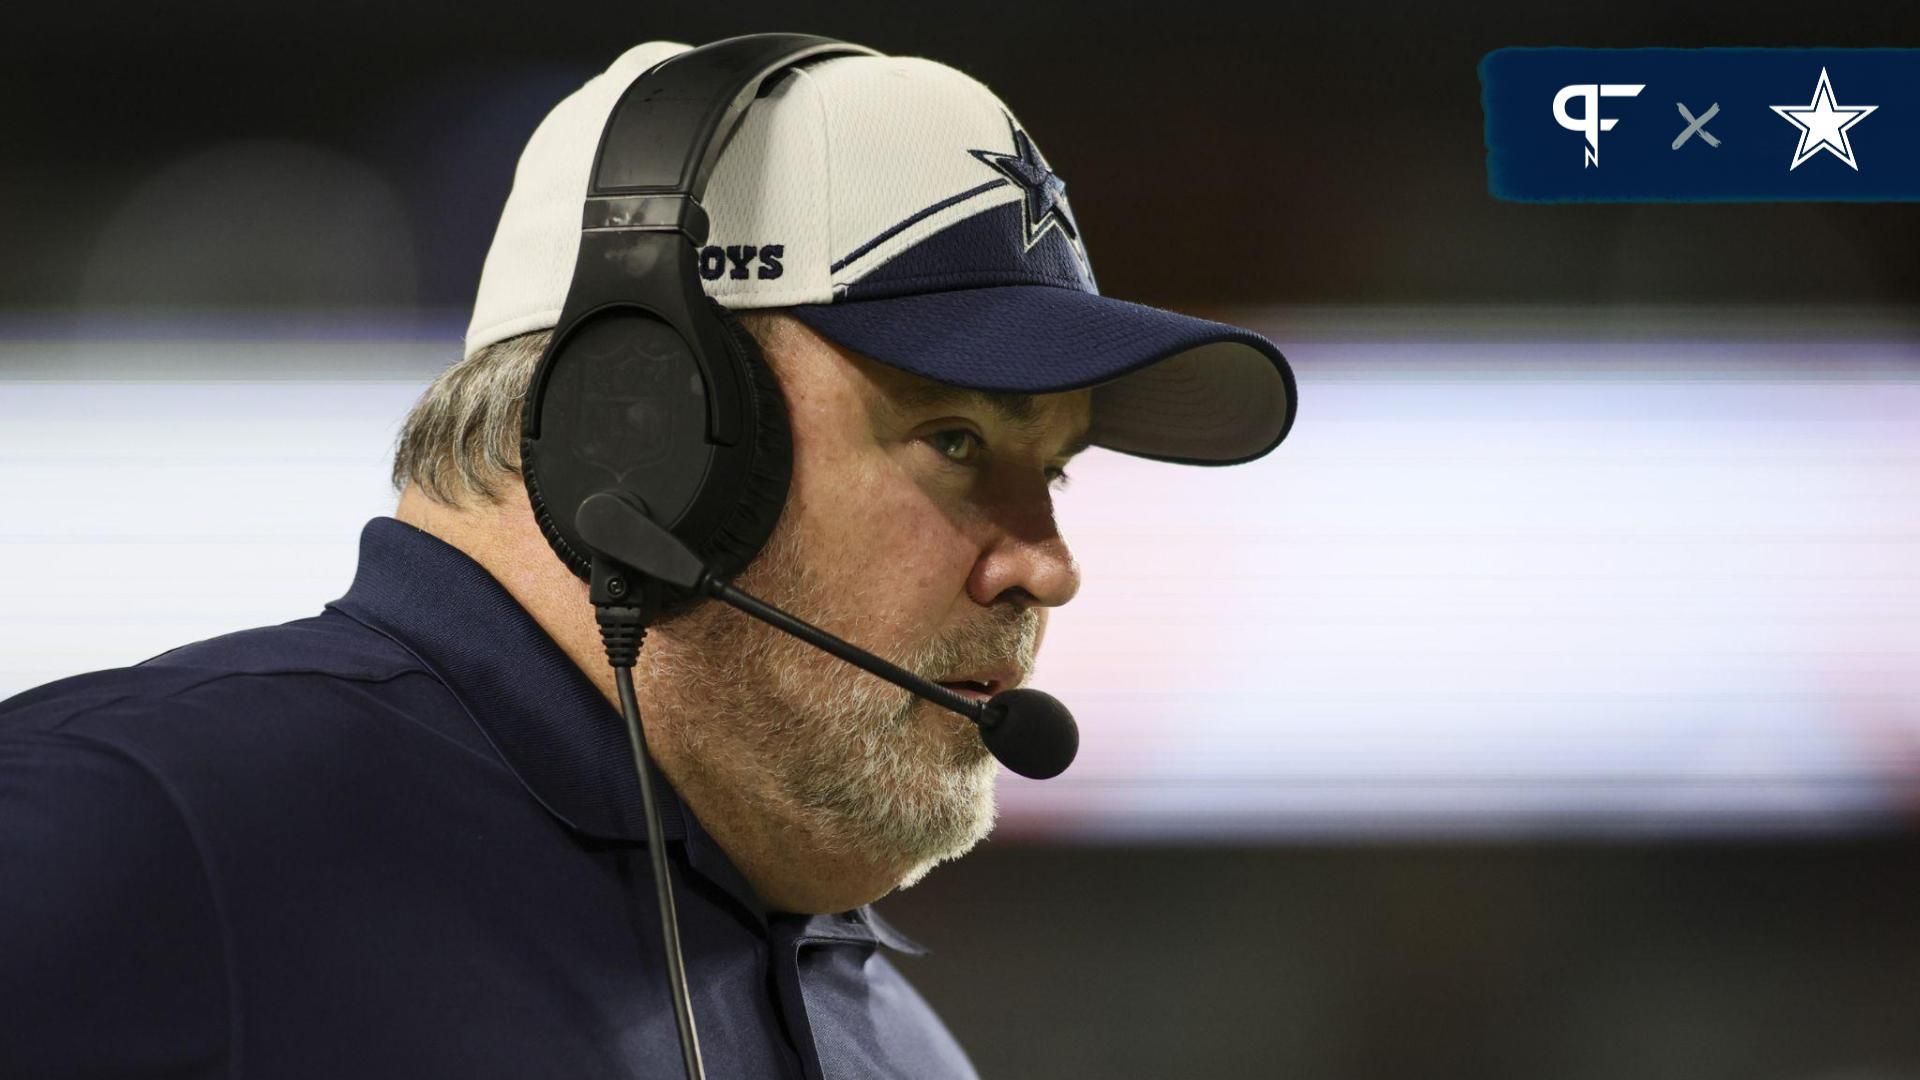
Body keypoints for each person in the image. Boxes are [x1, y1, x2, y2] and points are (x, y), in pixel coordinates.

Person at [0, 37, 1296, 1079]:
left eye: (1053, 470)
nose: (1045, 565)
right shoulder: (129, 840)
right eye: (954, 440)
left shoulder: (893, 1045)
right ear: (646, 431)